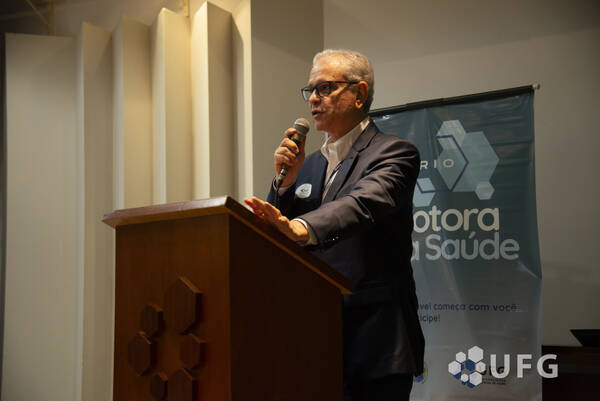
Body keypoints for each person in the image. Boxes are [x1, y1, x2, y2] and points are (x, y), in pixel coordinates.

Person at [244, 49, 424, 401]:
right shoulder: (308, 164)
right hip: (315, 339)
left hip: (376, 342)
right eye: (310, 90)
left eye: (325, 88)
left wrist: (301, 228)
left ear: (359, 93)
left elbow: (362, 204)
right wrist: (284, 185)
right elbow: (279, 231)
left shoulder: (395, 153)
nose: (313, 98)